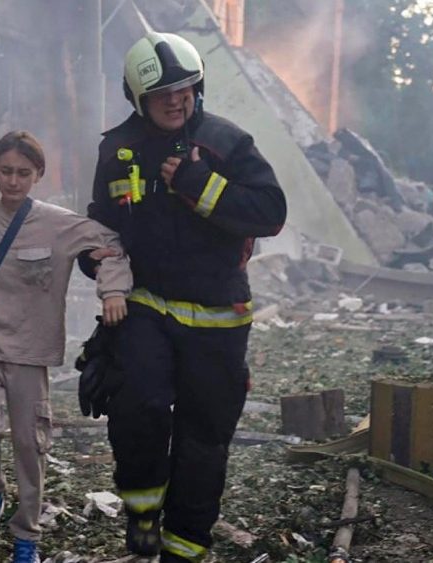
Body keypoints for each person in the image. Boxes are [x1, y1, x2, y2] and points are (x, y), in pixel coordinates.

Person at [77, 32, 287, 562]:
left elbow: (270, 212)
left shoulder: (227, 143)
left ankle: (186, 544)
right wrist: (92, 258)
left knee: (204, 436)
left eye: (185, 88)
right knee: (139, 405)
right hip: (147, 304)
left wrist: (199, 183)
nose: (176, 100)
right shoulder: (117, 147)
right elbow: (101, 225)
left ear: (199, 88)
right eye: (162, 93)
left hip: (218, 315)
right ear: (138, 98)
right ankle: (143, 512)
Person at [0, 131, 132, 563]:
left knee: (30, 444)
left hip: (30, 350)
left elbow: (112, 246)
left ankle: (27, 535)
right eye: (6, 171)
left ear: (38, 175)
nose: (13, 181)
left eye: (23, 172)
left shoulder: (58, 222)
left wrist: (112, 291)